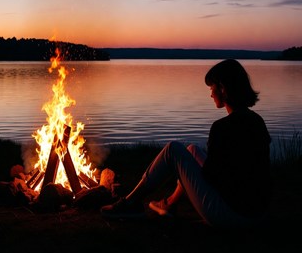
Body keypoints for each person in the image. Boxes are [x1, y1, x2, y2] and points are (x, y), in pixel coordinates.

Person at [100, 59, 272, 228]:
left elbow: (212, 178)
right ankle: (169, 203)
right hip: (259, 214)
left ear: (222, 88)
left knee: (173, 151)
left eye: (212, 87)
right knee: (191, 151)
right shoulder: (257, 121)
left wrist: (186, 172)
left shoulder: (222, 128)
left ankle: (130, 203)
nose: (211, 94)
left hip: (230, 216)